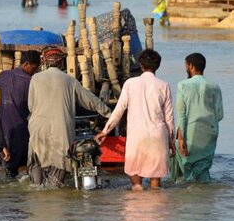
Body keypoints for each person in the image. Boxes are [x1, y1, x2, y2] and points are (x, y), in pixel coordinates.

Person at [27, 48, 111, 187]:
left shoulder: (35, 79)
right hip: (61, 129)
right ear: (61, 63)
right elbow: (91, 100)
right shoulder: (69, 80)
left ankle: (37, 187)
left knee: (37, 160)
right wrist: (109, 113)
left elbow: (31, 106)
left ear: (45, 62)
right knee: (60, 164)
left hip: (38, 128)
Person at [95, 49, 175, 190]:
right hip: (158, 136)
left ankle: (136, 205)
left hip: (137, 136)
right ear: (157, 66)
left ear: (141, 65)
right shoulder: (164, 86)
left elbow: (118, 111)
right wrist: (171, 142)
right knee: (155, 183)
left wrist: (105, 131)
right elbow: (169, 119)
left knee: (136, 182)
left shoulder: (131, 84)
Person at [171, 53, 224, 183]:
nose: (186, 69)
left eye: (186, 66)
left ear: (191, 66)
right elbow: (220, 115)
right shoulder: (215, 87)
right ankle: (206, 200)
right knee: (203, 171)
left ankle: (188, 198)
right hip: (210, 134)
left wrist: (181, 138)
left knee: (185, 170)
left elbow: (182, 114)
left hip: (190, 133)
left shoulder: (182, 85)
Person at [0, 50, 41, 178]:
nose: (35, 70)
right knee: (24, 162)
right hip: (22, 128)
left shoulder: (3, 76)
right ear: (26, 64)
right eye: (34, 67)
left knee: (8, 164)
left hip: (4, 128)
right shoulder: (31, 82)